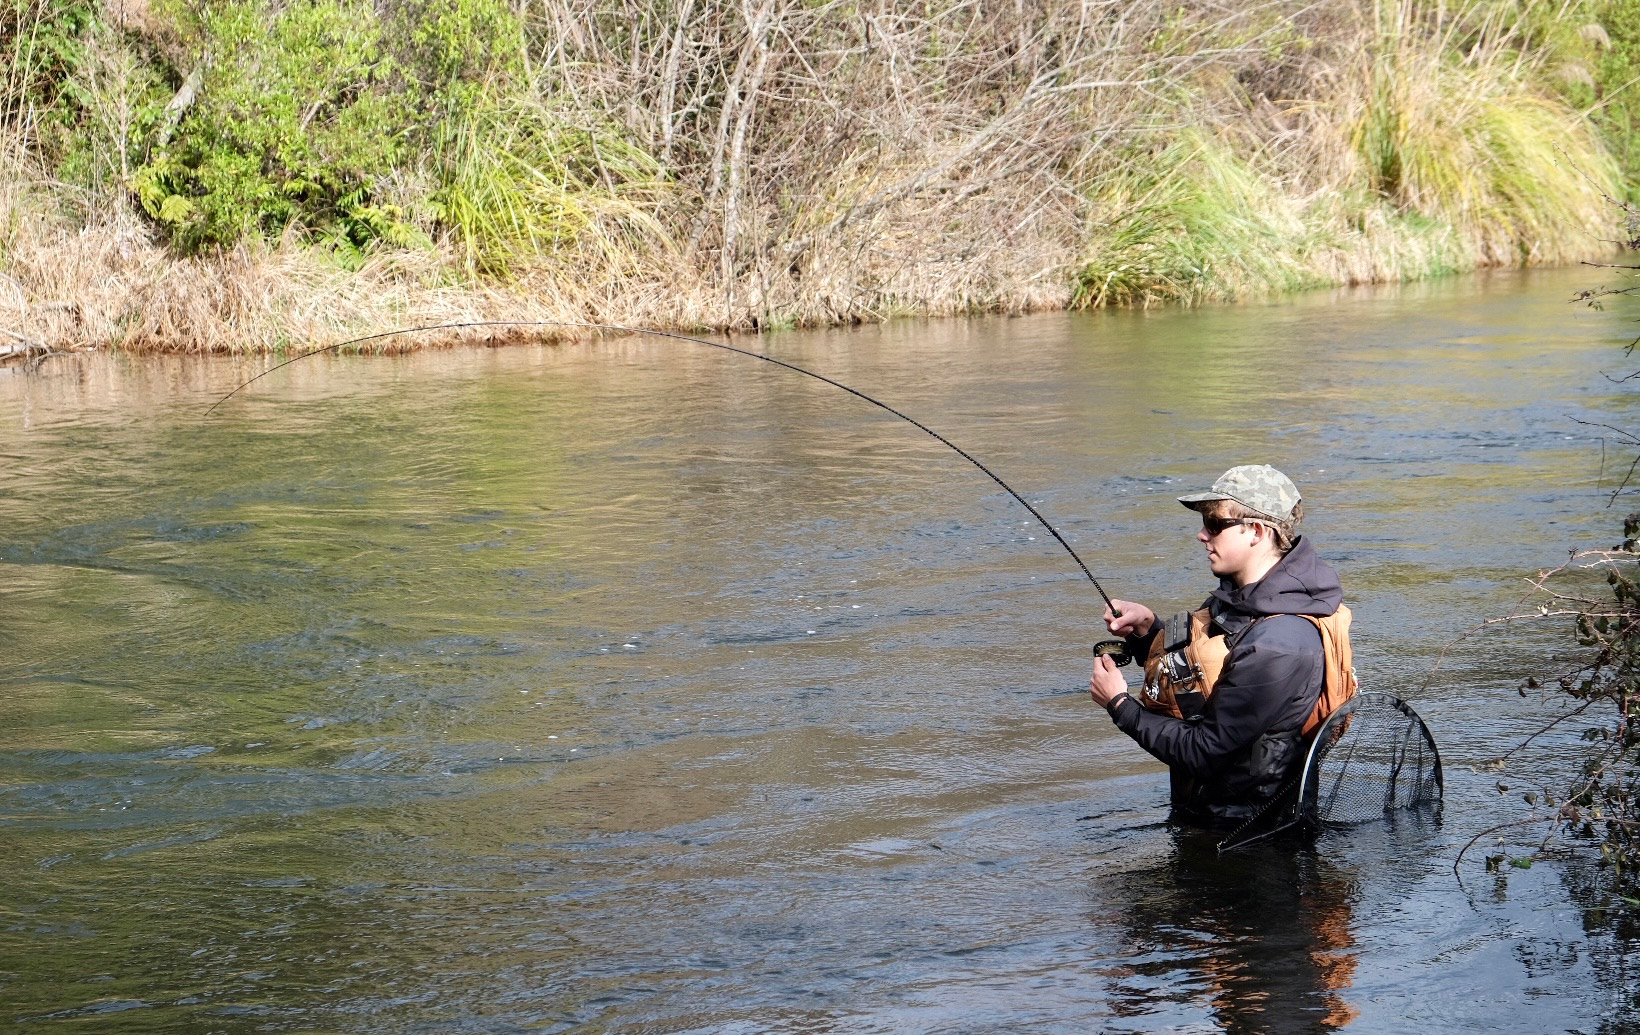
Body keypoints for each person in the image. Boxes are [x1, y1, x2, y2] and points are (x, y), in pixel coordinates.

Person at [1087, 464, 1351, 828]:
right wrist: (1147, 631)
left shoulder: (1280, 644)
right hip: (1209, 815)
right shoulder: (1245, 598)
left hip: (1248, 840)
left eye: (1214, 524)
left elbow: (1204, 751)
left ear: (1256, 531)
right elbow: (1210, 672)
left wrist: (1120, 705)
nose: (1201, 535)